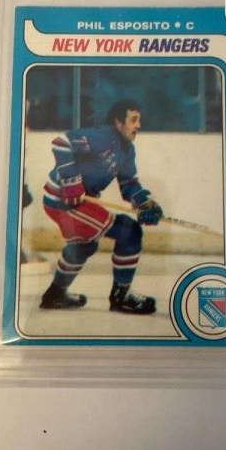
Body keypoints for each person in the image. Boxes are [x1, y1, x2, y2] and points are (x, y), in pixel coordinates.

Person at [40, 100, 163, 314]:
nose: (138, 125)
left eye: (139, 120)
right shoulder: (102, 136)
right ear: (118, 122)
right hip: (64, 201)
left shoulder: (127, 150)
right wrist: (72, 183)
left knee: (84, 246)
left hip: (79, 203)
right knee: (129, 232)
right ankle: (121, 296)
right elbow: (61, 142)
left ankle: (55, 294)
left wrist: (146, 203)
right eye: (133, 120)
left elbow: (129, 184)